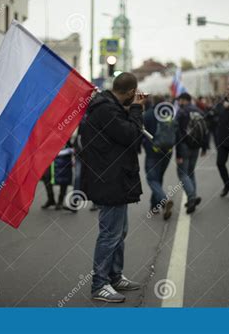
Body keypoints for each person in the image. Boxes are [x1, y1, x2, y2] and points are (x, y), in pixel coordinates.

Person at [80, 72, 145, 303]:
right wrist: (136, 109)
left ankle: (114, 276)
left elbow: (119, 132)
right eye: (133, 95)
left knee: (120, 231)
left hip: (114, 178)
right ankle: (100, 284)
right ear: (129, 92)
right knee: (109, 234)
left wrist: (130, 110)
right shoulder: (105, 109)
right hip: (110, 180)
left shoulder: (108, 107)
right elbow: (131, 136)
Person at [143, 95, 175, 219]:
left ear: (152, 102)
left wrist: (138, 147)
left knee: (151, 179)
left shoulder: (148, 114)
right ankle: (154, 206)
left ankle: (163, 200)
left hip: (152, 151)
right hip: (167, 151)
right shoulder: (169, 113)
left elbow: (141, 131)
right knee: (158, 178)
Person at [175, 92, 206, 213]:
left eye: (179, 100)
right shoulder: (199, 111)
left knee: (182, 173)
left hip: (184, 146)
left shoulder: (182, 112)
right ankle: (192, 196)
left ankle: (192, 197)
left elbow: (177, 133)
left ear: (183, 100)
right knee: (191, 172)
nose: (178, 102)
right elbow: (205, 130)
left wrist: (178, 153)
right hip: (196, 146)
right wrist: (204, 147)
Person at [41, 143, 75, 211]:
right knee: (46, 177)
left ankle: (60, 201)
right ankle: (51, 199)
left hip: (63, 155)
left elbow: (72, 145)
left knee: (64, 178)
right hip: (48, 155)